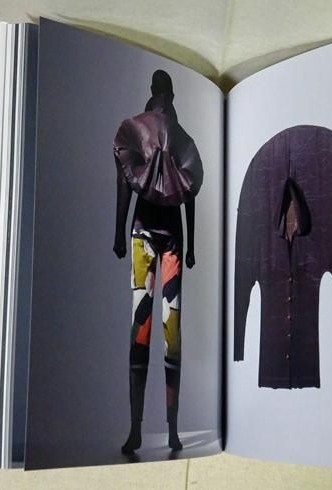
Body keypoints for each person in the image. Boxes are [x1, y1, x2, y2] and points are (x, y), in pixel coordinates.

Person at [113, 70, 203, 452]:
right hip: (165, 238)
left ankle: (151, 429)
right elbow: (188, 193)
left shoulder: (139, 129)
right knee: (165, 330)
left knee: (150, 328)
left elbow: (125, 183)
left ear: (152, 91)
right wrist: (191, 244)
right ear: (169, 94)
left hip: (148, 236)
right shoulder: (175, 133)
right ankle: (161, 429)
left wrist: (119, 232)